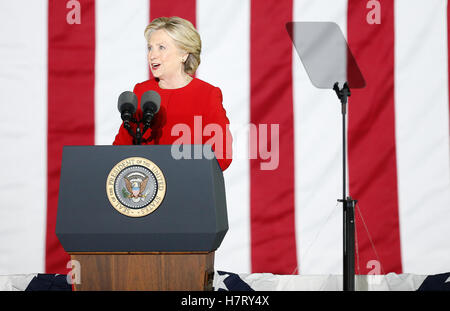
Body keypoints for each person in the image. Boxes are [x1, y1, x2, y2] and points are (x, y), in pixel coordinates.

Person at [113, 17, 232, 171]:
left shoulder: (207, 94)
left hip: (189, 186)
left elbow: (222, 155)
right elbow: (120, 148)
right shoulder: (142, 91)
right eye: (150, 48)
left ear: (184, 54)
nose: (152, 55)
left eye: (161, 47)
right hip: (146, 189)